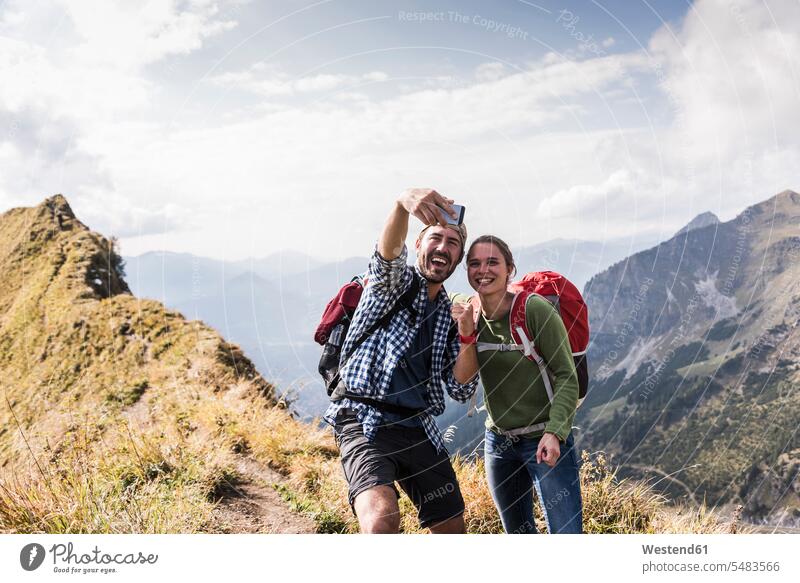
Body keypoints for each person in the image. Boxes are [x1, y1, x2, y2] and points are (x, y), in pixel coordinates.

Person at [323, 188, 479, 534]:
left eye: (453, 243)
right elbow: (387, 255)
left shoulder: (451, 314)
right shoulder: (391, 285)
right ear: (419, 246)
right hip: (364, 420)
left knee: (451, 526)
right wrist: (401, 205)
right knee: (382, 520)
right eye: (435, 238)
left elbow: (460, 386)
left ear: (458, 258)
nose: (443, 247)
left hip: (417, 426)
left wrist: (468, 334)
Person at [450, 234, 583, 534]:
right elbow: (461, 379)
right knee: (518, 535)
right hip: (499, 443)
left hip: (544, 438)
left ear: (510, 268)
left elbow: (566, 375)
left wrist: (555, 432)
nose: (483, 270)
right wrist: (465, 328)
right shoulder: (467, 312)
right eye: (474, 264)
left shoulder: (534, 310)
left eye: (493, 262)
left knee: (567, 534)